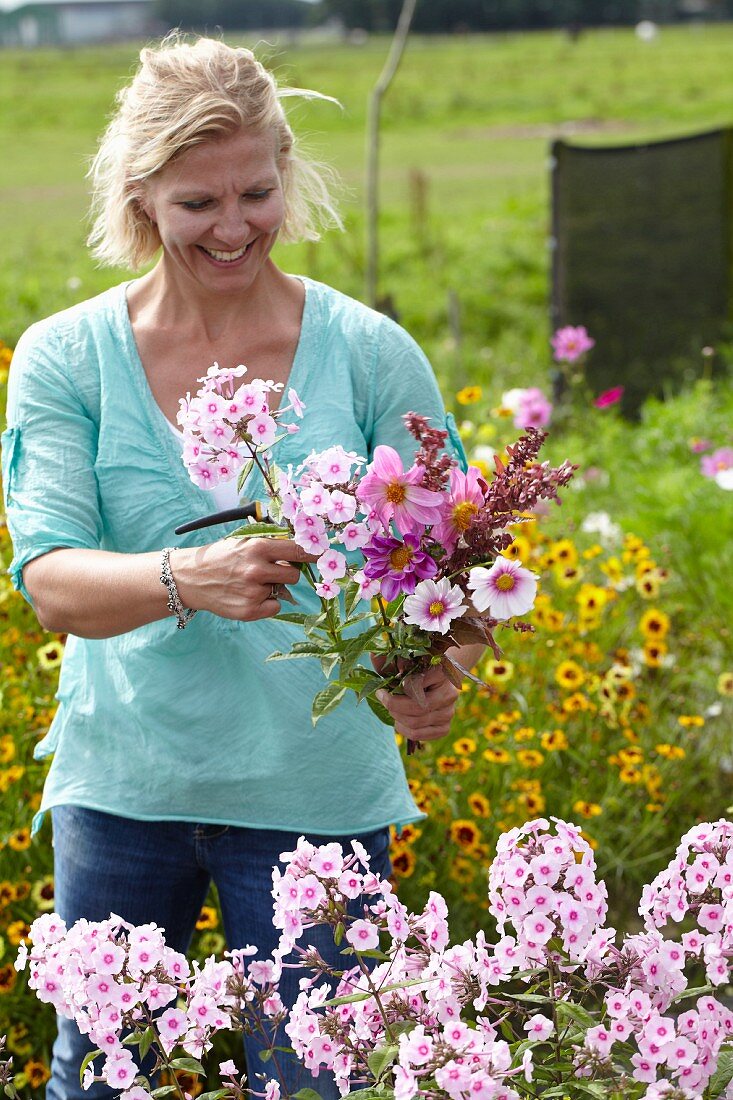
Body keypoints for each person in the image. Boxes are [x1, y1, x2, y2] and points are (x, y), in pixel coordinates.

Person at [2, 35, 481, 1100]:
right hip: (127, 790)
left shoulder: (366, 353)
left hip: (320, 797)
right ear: (140, 199)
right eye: (194, 203)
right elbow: (50, 581)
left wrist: (435, 667)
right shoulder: (66, 357)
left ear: (286, 171)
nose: (233, 228)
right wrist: (189, 578)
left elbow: (450, 563)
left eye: (255, 192)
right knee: (106, 1078)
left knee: (320, 1077)